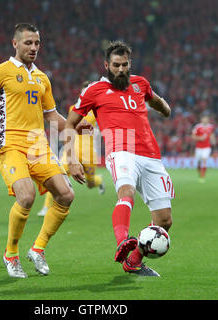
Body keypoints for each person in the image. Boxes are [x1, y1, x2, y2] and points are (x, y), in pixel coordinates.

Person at [0, 23, 91, 279]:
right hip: (10, 143)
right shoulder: (1, 71)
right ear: (15, 43)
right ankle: (10, 254)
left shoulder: (42, 78)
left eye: (37, 43)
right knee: (26, 196)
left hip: (38, 145)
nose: (34, 47)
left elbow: (53, 117)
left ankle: (38, 249)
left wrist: (74, 135)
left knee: (66, 195)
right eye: (28, 43)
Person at [65, 41, 174, 277]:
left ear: (130, 64)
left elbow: (155, 100)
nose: (121, 70)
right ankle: (123, 242)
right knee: (126, 192)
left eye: (125, 65)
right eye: (116, 65)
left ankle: (134, 260)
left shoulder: (140, 83)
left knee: (164, 220)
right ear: (106, 65)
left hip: (151, 154)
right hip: (120, 150)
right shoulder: (94, 90)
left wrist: (165, 108)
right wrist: (72, 158)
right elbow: (69, 123)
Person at [37, 81, 105, 217]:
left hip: (89, 152)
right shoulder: (74, 108)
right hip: (73, 149)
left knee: (90, 183)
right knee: (58, 177)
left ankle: (99, 181)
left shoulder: (98, 109)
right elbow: (70, 126)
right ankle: (46, 207)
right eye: (84, 92)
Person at [191, 115, 215, 183]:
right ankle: (200, 174)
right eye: (204, 118)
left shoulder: (211, 127)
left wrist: (213, 140)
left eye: (206, 119)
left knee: (204, 159)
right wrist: (199, 138)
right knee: (199, 162)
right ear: (201, 119)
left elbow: (212, 134)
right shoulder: (197, 127)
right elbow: (192, 136)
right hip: (198, 147)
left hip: (207, 147)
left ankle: (202, 177)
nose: (205, 120)